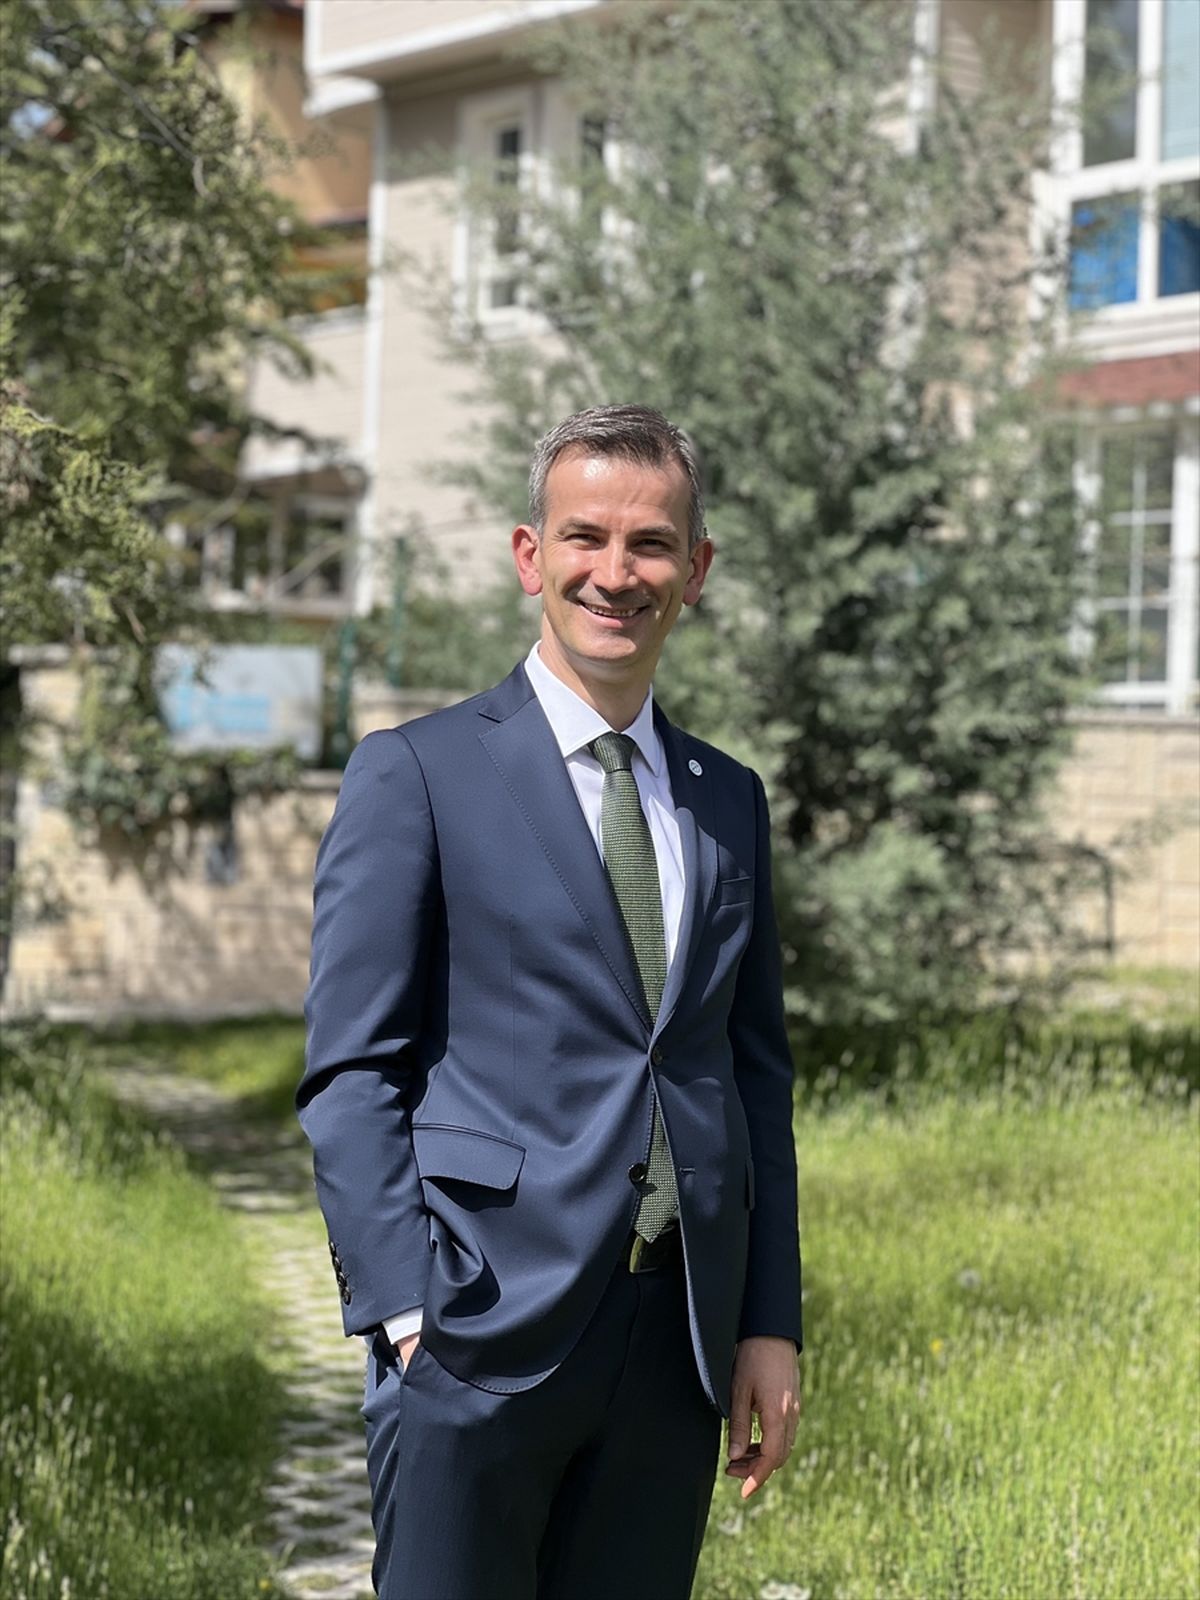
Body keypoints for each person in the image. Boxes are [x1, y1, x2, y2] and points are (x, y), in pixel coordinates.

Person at [298, 404, 803, 1600]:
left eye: (651, 544)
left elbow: (752, 1076)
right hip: (474, 1329)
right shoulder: (418, 772)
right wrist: (407, 1311)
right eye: (586, 537)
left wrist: (766, 1321)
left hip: (673, 1344)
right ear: (532, 555)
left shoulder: (727, 798)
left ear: (696, 569)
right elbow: (351, 1071)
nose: (615, 574)